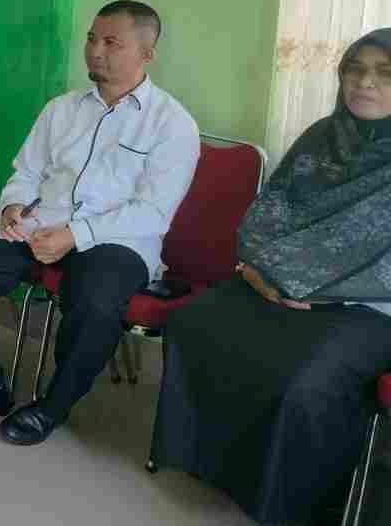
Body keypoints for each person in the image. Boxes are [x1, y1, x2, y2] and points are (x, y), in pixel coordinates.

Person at [0, 0, 200, 446]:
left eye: (111, 43)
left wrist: (75, 235)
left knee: (97, 298)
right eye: (91, 39)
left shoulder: (173, 124)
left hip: (115, 240)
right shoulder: (62, 109)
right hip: (41, 225)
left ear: (147, 54)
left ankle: (53, 406)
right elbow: (27, 172)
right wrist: (12, 206)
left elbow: (153, 211)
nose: (95, 51)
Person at [151, 28, 391, 524]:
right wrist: (258, 269)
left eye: (385, 74)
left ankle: (295, 504)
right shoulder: (322, 137)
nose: (364, 82)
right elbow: (269, 210)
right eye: (354, 69)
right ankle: (209, 463)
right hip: (281, 280)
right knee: (197, 322)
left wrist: (314, 284)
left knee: (307, 379)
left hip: (370, 305)